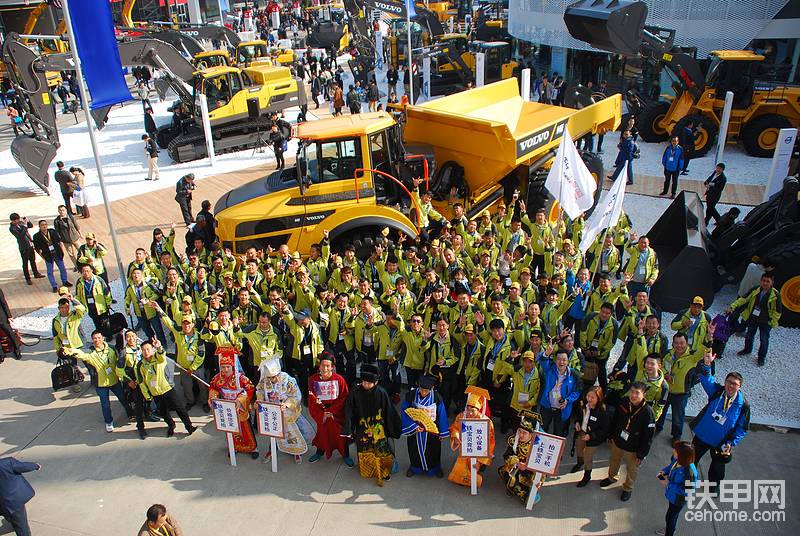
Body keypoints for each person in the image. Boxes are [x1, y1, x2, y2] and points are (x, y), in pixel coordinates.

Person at [689, 353, 749, 487]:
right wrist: (707, 365)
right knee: (692, 460)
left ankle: (713, 486)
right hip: (702, 435)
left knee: (718, 467)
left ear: (740, 387)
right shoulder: (717, 392)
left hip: (721, 441)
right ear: (725, 382)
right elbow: (706, 380)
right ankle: (689, 480)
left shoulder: (743, 405)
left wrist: (731, 442)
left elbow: (742, 428)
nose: (731, 386)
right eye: (729, 382)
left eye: (735, 384)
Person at [342, 363, 402, 486]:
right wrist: (349, 427)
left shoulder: (381, 393)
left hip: (378, 429)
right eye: (364, 382)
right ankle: (369, 469)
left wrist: (391, 427)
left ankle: (384, 470)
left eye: (369, 383)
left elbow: (389, 411)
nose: (366, 385)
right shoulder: (355, 392)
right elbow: (349, 410)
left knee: (381, 450)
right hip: (362, 428)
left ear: (375, 383)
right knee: (365, 449)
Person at [63, 330, 132, 432]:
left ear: (103, 338)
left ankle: (130, 413)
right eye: (94, 338)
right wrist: (71, 351)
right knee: (105, 404)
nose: (97, 340)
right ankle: (108, 422)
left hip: (114, 381)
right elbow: (81, 354)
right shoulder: (91, 353)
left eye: (99, 338)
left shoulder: (112, 349)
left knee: (123, 398)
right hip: (101, 384)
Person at [600, 381, 655, 501]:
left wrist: (642, 454)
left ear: (644, 394)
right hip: (618, 441)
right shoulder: (624, 402)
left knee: (632, 469)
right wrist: (610, 435)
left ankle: (627, 488)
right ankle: (612, 477)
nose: (633, 395)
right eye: (632, 392)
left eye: (637, 393)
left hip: (633, 448)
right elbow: (615, 420)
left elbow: (648, 437)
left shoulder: (648, 412)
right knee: (614, 460)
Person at [256, 359, 314, 463]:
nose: (273, 379)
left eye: (275, 376)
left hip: (287, 412)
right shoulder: (264, 380)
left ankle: (296, 452)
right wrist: (259, 401)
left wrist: (287, 404)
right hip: (272, 412)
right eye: (270, 377)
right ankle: (272, 450)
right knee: (274, 433)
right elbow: (260, 391)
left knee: (292, 433)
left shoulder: (288, 380)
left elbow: (296, 395)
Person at [136, 339, 196, 437]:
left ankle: (189, 427)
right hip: (155, 393)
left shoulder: (158, 358)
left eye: (148, 349)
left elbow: (161, 354)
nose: (146, 352)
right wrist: (147, 396)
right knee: (163, 412)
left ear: (152, 349)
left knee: (180, 408)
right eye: (143, 350)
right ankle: (171, 425)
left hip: (167, 389)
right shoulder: (140, 365)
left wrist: (159, 347)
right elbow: (142, 382)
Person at [209, 350, 259, 459]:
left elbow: (250, 388)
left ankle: (253, 447)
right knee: (230, 428)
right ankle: (234, 447)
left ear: (233, 367)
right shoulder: (217, 378)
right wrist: (213, 396)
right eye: (223, 367)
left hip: (239, 407)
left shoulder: (240, 378)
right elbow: (213, 387)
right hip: (226, 408)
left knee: (245, 428)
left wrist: (240, 399)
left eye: (228, 367)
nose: (225, 370)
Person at [400, 374, 450, 478]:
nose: (423, 392)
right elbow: (404, 411)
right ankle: (415, 467)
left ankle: (435, 468)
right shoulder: (411, 395)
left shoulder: (437, 398)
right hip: (416, 429)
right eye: (421, 389)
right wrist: (413, 426)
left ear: (432, 388)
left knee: (433, 450)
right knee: (414, 449)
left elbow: (442, 415)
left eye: (426, 391)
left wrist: (441, 432)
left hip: (431, 430)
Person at [307, 354, 353, 465]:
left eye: (328, 366)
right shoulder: (313, 380)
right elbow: (311, 399)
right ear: (319, 366)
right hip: (322, 412)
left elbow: (344, 398)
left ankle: (345, 455)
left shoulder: (339, 379)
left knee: (341, 436)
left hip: (337, 413)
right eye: (323, 365)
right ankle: (319, 452)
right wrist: (321, 414)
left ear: (332, 367)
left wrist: (332, 411)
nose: (325, 368)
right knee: (322, 434)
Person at [729, 272, 782, 366]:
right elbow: (744, 299)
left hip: (766, 321)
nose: (765, 283)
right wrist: (733, 306)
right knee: (749, 335)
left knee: (764, 340)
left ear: (772, 282)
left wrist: (772, 322)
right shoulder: (756, 289)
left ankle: (761, 358)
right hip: (753, 318)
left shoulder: (776, 295)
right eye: (763, 280)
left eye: (767, 281)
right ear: (761, 280)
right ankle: (747, 349)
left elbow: (777, 311)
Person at [448, 387, 495, 488]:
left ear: (479, 410)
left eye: (472, 410)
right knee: (461, 470)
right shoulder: (462, 416)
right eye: (468, 409)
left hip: (479, 453)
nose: (469, 413)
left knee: (474, 467)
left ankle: (479, 467)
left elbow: (490, 443)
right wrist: (456, 437)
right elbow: (454, 428)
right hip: (465, 448)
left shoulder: (487, 422)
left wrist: (480, 461)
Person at [498, 410, 542, 505]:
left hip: (530, 472)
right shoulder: (514, 440)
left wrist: (539, 481)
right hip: (515, 467)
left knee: (527, 493)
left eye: (524, 433)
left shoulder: (538, 446)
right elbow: (507, 455)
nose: (521, 435)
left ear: (532, 434)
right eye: (520, 431)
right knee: (508, 476)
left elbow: (542, 465)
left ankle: (526, 492)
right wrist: (517, 463)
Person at [655, 441, 698, 536]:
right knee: (673, 515)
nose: (673, 452)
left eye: (676, 451)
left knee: (670, 517)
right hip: (672, 496)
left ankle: (669, 532)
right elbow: (671, 467)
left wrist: (668, 484)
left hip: (678, 499)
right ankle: (671, 529)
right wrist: (664, 472)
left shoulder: (690, 473)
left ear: (682, 456)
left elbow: (687, 490)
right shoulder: (677, 460)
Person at [571, 386, 610, 487]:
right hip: (582, 433)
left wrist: (591, 435)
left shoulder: (602, 411)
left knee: (588, 457)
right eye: (588, 396)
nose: (589, 399)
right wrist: (577, 423)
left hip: (593, 438)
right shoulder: (583, 404)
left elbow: (604, 429)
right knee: (579, 449)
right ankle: (580, 463)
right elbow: (578, 416)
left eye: (593, 397)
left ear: (599, 398)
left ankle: (587, 476)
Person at [537, 348, 581, 437]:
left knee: (558, 434)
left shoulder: (574, 374)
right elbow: (541, 359)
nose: (561, 362)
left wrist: (567, 400)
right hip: (547, 407)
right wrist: (546, 353)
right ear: (555, 360)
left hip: (562, 410)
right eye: (559, 359)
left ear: (568, 361)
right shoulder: (550, 369)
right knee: (541, 430)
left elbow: (577, 391)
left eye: (564, 360)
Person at [0, 457, 41, 536]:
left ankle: (10, 519)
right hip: (13, 503)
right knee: (22, 527)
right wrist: (35, 465)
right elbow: (23, 466)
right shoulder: (7, 463)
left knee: (6, 513)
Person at [32, 219, 72, 292]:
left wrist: (62, 251)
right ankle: (54, 286)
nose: (44, 226)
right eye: (42, 225)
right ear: (39, 226)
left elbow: (59, 242)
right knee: (50, 272)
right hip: (47, 256)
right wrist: (43, 257)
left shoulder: (52, 232)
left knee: (62, 268)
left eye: (45, 224)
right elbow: (37, 249)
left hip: (57, 253)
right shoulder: (36, 236)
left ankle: (65, 281)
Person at [8, 213, 43, 285]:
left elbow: (30, 226)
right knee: (25, 263)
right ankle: (28, 278)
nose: (18, 221)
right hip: (23, 247)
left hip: (29, 244)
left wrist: (27, 222)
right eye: (16, 220)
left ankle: (36, 273)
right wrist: (25, 226)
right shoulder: (12, 228)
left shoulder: (21, 223)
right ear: (13, 221)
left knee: (33, 260)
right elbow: (20, 236)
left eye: (18, 219)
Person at [54, 205, 82, 271]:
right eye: (60, 210)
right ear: (58, 211)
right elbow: (57, 231)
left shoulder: (70, 217)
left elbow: (76, 226)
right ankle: (77, 266)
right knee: (71, 254)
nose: (61, 212)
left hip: (75, 237)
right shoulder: (56, 221)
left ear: (65, 210)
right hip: (66, 240)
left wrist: (80, 234)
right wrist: (60, 241)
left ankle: (85, 263)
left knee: (81, 250)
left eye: (63, 210)